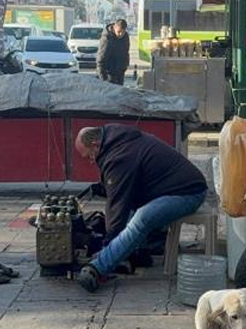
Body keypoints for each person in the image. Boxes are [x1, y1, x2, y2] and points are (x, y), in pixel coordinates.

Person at [73, 125, 208, 292]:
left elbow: (116, 206)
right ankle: (139, 252)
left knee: (142, 218)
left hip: (188, 193)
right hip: (169, 189)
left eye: (89, 156)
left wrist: (108, 244)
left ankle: (98, 268)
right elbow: (123, 187)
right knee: (132, 212)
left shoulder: (119, 156)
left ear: (95, 144)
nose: (91, 161)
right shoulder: (117, 141)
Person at [96, 19, 129, 85]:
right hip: (108, 74)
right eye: (119, 31)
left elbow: (126, 52)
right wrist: (103, 78)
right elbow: (100, 59)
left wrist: (124, 67)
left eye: (123, 32)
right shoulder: (107, 38)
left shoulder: (125, 37)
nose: (120, 34)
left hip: (120, 73)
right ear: (114, 28)